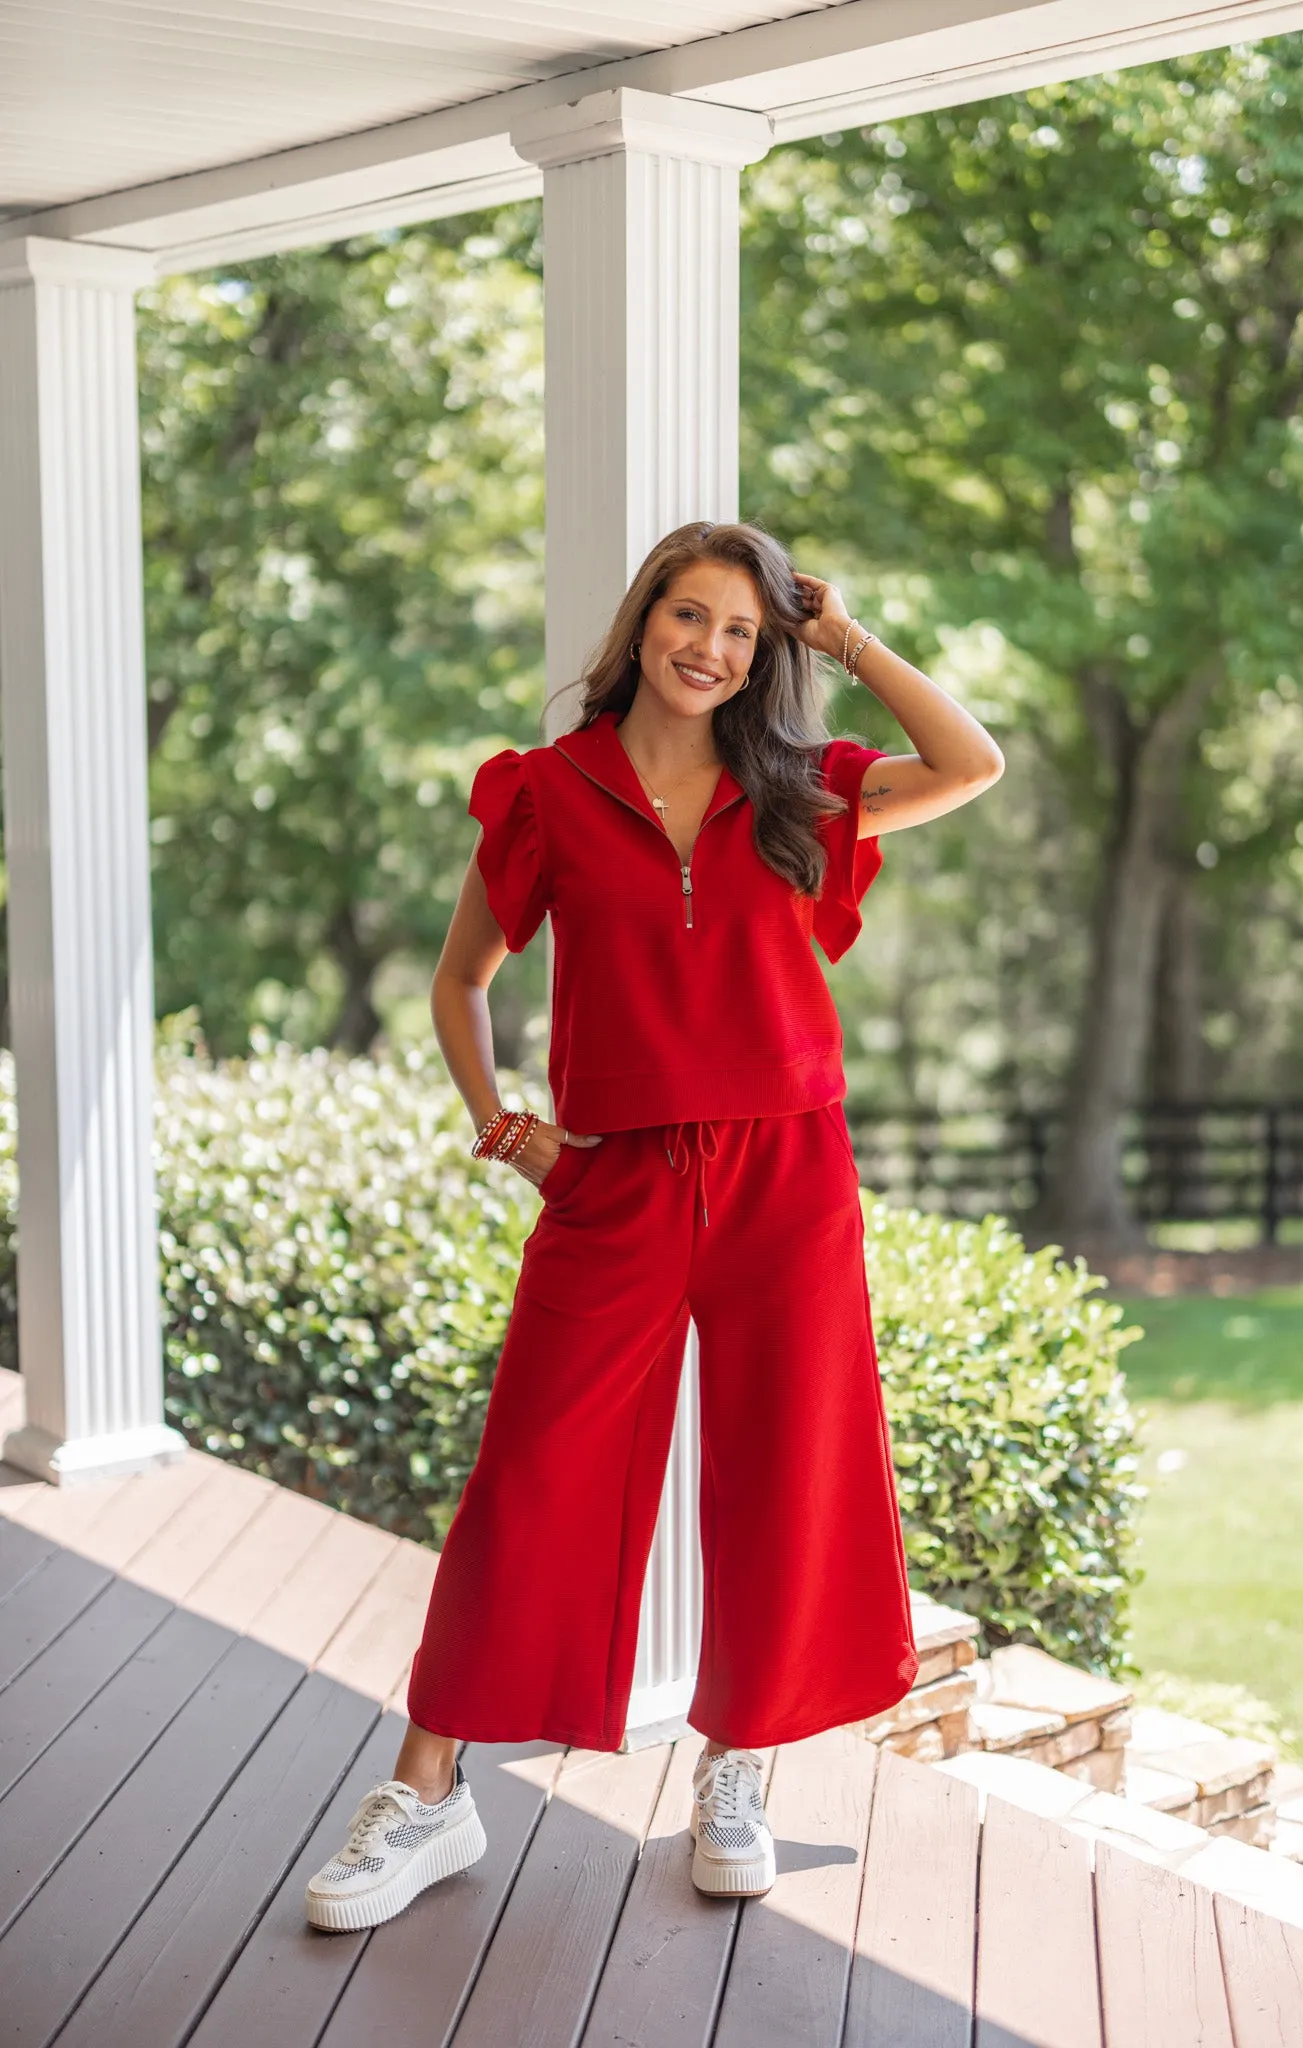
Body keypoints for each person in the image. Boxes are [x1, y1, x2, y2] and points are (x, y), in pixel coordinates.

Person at [304, 520, 1004, 1931]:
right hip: (615, 1180)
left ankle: (738, 1765)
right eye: (690, 617)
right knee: (528, 1473)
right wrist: (507, 1130)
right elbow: (460, 982)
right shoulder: (545, 792)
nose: (712, 649)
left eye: (743, 632)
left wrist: (844, 637)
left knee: (780, 1469)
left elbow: (972, 763)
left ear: (766, 653)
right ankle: (429, 1793)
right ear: (643, 629)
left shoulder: (803, 793)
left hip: (786, 1175)